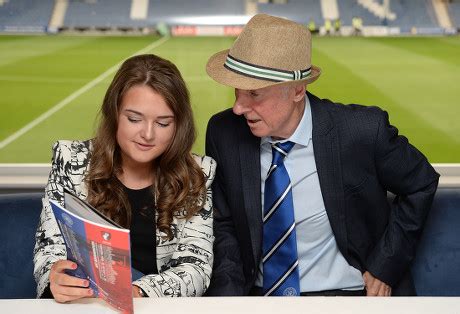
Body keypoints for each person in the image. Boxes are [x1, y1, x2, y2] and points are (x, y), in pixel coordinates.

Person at [204, 14, 439, 297]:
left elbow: (421, 182)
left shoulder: (362, 130)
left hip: (350, 295)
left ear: (297, 90)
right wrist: (227, 304)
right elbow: (225, 225)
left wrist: (385, 265)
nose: (239, 108)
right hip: (260, 299)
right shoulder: (224, 132)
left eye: (254, 94)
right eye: (237, 92)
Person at [33, 54, 216, 301]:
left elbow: (196, 267)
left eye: (163, 123)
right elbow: (50, 247)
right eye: (134, 119)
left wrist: (137, 292)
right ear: (114, 112)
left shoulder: (198, 173)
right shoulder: (70, 159)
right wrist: (54, 276)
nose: (147, 134)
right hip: (85, 305)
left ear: (178, 125)